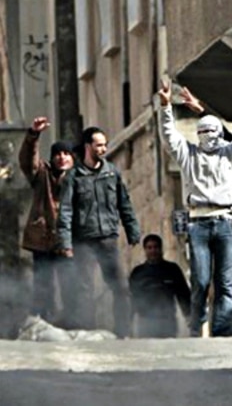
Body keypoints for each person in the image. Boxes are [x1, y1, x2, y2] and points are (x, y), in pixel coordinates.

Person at [157, 81, 232, 337]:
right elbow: (168, 135)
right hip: (198, 222)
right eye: (203, 130)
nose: (208, 135)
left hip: (226, 222)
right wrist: (165, 107)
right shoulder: (188, 154)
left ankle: (221, 330)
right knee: (200, 281)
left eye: (212, 130)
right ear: (198, 133)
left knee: (225, 283)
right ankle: (197, 326)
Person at [57, 127, 141, 338]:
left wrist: (132, 230)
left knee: (121, 287)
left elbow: (125, 204)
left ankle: (123, 332)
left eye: (105, 144)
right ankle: (88, 333)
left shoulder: (112, 172)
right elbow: (65, 212)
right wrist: (66, 243)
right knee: (84, 290)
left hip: (108, 239)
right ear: (88, 147)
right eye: (99, 145)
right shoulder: (73, 177)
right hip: (83, 240)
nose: (103, 148)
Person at [19, 117, 77, 326]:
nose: (61, 158)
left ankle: (73, 323)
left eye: (66, 154)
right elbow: (27, 161)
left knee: (70, 285)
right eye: (57, 154)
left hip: (69, 242)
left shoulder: (80, 178)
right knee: (43, 285)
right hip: (43, 240)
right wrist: (33, 135)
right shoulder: (42, 174)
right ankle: (42, 323)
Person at [129, 234, 190, 338]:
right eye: (149, 248)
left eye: (156, 247)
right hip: (145, 323)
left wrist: (189, 317)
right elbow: (131, 299)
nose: (153, 251)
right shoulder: (137, 273)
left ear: (161, 249)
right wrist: (128, 323)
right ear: (145, 250)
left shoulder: (172, 269)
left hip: (167, 322)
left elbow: (183, 294)